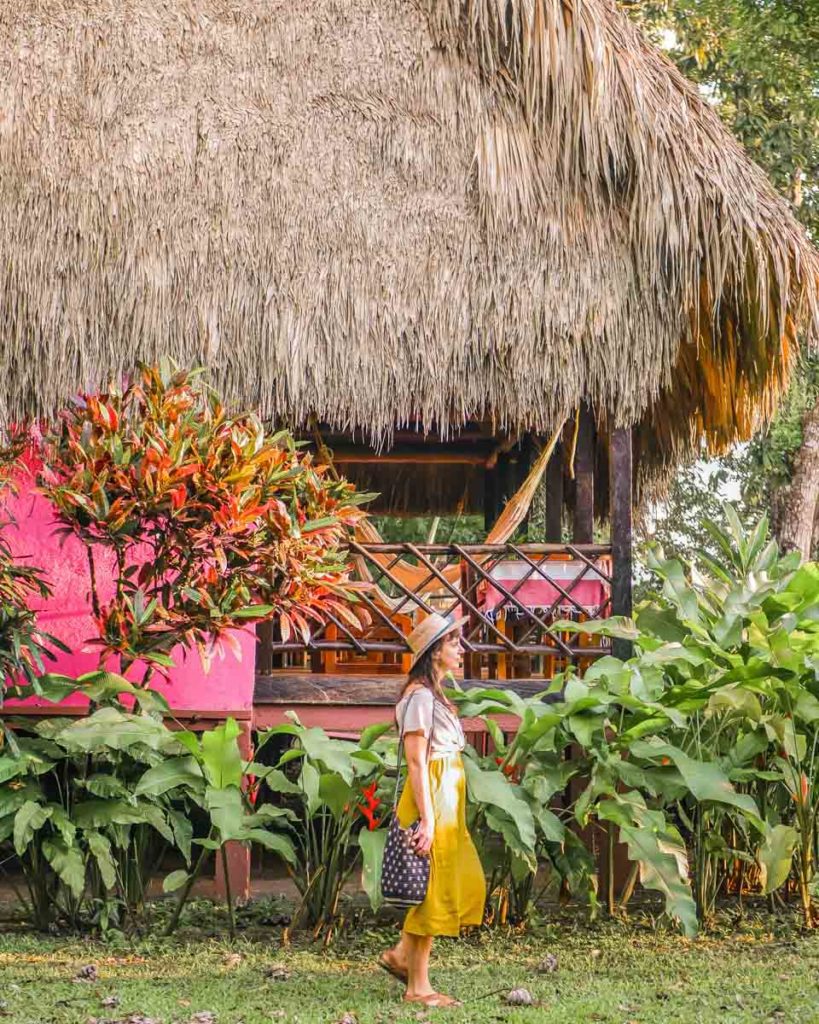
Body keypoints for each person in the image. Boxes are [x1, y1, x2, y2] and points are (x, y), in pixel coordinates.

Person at [378, 612, 486, 1007]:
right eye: (453, 642)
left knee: (453, 880)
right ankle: (418, 987)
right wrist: (426, 818)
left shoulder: (434, 694)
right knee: (432, 890)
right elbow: (416, 761)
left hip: (444, 796)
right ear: (434, 652)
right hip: (430, 795)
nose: (461, 648)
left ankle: (402, 955)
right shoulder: (420, 697)